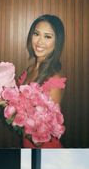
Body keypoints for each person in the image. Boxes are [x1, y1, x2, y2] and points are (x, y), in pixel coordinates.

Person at [18, 14, 67, 148]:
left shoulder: (55, 81)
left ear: (57, 42)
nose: (39, 42)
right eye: (36, 34)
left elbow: (42, 138)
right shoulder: (29, 70)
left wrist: (10, 114)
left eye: (47, 37)